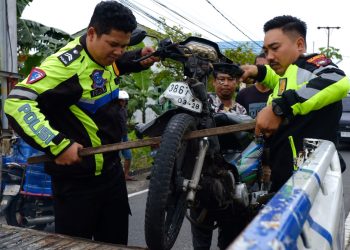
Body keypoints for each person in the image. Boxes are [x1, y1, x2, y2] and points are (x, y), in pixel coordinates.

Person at [4, 1, 158, 245]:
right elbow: (17, 103)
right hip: (77, 185)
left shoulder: (104, 58)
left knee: (116, 244)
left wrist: (135, 58)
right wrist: (57, 144)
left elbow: (110, 68)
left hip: (112, 175)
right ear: (91, 34)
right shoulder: (64, 67)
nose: (118, 51)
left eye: (124, 46)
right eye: (113, 45)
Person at [240, 15, 350, 192]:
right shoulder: (286, 74)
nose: (269, 57)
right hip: (285, 178)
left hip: (313, 183)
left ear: (299, 45)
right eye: (266, 51)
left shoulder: (311, 65)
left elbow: (337, 79)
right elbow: (276, 79)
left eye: (275, 48)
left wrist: (279, 108)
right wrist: (258, 71)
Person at [190, 63, 249, 250]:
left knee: (228, 238)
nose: (225, 84)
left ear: (237, 83)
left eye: (230, 80)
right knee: (201, 236)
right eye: (221, 79)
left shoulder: (241, 111)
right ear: (214, 83)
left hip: (230, 179)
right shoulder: (204, 103)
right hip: (203, 174)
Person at [236, 53, 272, 118]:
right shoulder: (243, 94)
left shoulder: (277, 92)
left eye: (265, 67)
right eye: (259, 67)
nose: (261, 69)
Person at [118, 90, 135, 181]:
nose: (123, 102)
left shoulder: (124, 110)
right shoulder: (114, 111)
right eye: (121, 100)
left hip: (124, 135)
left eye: (124, 100)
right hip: (117, 136)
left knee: (128, 156)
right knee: (117, 158)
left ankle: (126, 175)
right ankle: (118, 176)